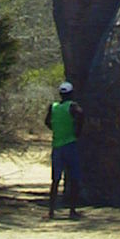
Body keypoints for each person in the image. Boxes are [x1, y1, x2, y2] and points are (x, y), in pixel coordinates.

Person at [44, 80, 84, 219]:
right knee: (74, 178)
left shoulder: (53, 107)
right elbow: (81, 114)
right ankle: (72, 211)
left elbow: (47, 122)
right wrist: (76, 131)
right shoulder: (72, 106)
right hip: (70, 144)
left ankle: (51, 211)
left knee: (55, 180)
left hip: (57, 146)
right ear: (71, 94)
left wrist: (56, 129)